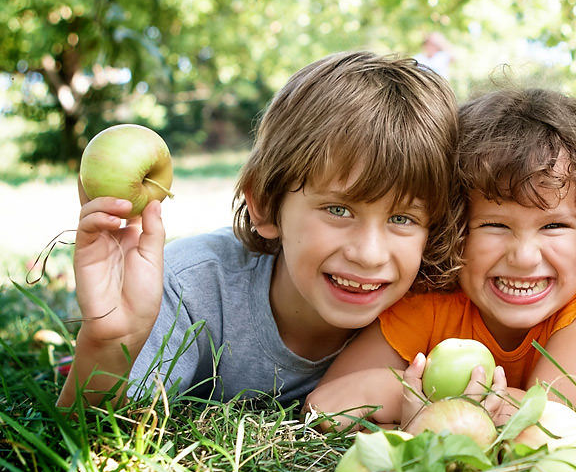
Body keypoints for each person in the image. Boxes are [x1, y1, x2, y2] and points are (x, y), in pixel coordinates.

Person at [57, 52, 460, 409]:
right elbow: (97, 438)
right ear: (265, 206)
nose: (369, 253)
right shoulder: (189, 287)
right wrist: (109, 345)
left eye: (402, 219)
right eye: (338, 210)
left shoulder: (434, 310)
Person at [304, 87, 576, 428]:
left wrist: (436, 405)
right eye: (494, 225)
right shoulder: (430, 303)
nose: (524, 258)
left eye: (554, 226)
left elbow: (550, 411)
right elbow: (323, 406)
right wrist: (416, 402)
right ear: (453, 229)